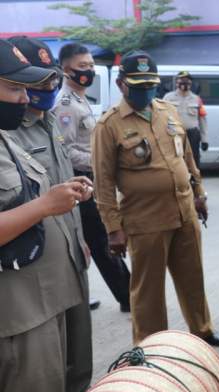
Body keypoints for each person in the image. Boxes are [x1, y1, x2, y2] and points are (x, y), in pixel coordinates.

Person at [0, 38, 92, 392]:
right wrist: (43, 206)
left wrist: (70, 227)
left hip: (55, 286)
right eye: (15, 89)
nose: (25, 99)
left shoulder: (38, 123)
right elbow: (33, 206)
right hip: (19, 305)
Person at [92, 50, 219, 348]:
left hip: (184, 211)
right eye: (139, 86)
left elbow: (187, 157)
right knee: (148, 290)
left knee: (193, 278)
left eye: (150, 85)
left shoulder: (168, 110)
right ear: (121, 85)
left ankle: (203, 331)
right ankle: (152, 347)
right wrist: (113, 228)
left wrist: (199, 194)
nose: (146, 92)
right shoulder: (109, 125)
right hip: (145, 219)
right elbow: (103, 181)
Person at [55, 42, 132, 314]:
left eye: (90, 65)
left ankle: (122, 292)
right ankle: (127, 294)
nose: (88, 71)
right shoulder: (66, 105)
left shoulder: (80, 98)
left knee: (97, 239)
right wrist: (99, 161)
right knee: (101, 239)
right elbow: (64, 149)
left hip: (92, 179)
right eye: (82, 67)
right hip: (81, 181)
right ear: (66, 70)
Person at [163, 71, 208, 171]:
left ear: (191, 83)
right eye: (182, 80)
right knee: (176, 161)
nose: (184, 83)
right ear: (177, 82)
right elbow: (162, 118)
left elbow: (202, 120)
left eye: (187, 81)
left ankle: (194, 182)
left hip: (192, 135)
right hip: (174, 135)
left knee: (194, 161)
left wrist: (204, 140)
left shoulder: (197, 99)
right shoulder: (167, 98)